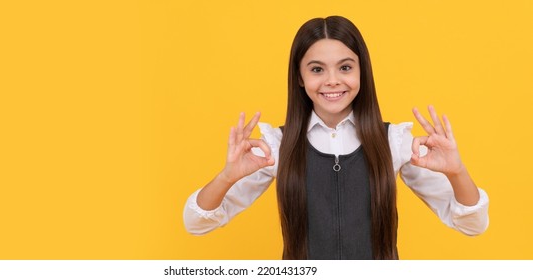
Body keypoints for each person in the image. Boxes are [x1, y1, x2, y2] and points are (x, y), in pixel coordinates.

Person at [183, 16, 489, 260]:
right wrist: (227, 176)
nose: (332, 80)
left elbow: (472, 225)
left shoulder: (394, 141)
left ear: (361, 72)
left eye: (345, 67)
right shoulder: (276, 146)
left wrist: (456, 172)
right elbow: (196, 224)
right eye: (317, 69)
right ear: (300, 78)